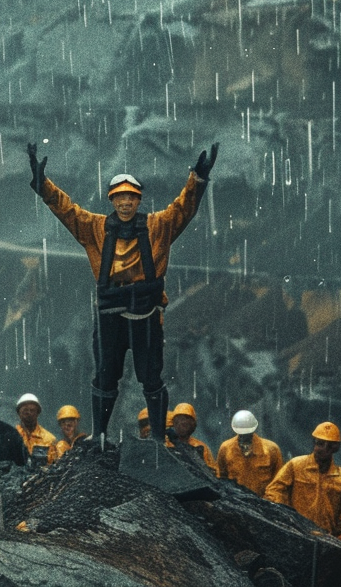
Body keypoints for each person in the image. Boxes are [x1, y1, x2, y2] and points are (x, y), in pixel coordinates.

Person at [28, 141, 217, 440]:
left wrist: (198, 181)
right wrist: (43, 186)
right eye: (120, 198)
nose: (126, 203)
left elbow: (184, 207)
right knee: (105, 376)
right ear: (112, 201)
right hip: (110, 314)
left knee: (151, 378)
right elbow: (67, 211)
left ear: (139, 200)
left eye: (131, 198)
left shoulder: (158, 226)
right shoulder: (95, 228)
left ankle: (156, 437)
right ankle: (100, 435)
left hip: (146, 312)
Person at [265, 422, 341, 542]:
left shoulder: (340, 477)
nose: (322, 449)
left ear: (335, 448)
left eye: (328, 446)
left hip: (326, 539)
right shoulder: (296, 466)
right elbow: (274, 490)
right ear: (314, 443)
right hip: (297, 534)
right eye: (320, 443)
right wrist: (285, 516)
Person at [215, 409, 283, 497]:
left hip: (263, 503)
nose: (245, 436)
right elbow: (221, 478)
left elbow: (278, 482)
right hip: (236, 502)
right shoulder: (226, 448)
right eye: (242, 433)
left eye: (248, 433)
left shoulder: (271, 449)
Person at [165, 402, 215, 470]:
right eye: (179, 420)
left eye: (186, 420)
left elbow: (211, 471)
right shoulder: (166, 444)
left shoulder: (201, 447)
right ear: (174, 423)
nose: (182, 423)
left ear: (193, 425)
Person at [15, 393, 57, 466]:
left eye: (32, 410)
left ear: (38, 413)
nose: (29, 413)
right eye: (25, 410)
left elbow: (53, 467)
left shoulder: (49, 439)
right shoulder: (11, 436)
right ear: (19, 413)